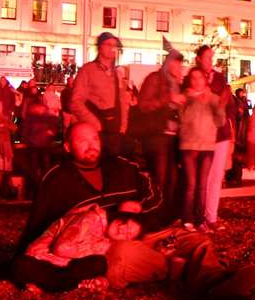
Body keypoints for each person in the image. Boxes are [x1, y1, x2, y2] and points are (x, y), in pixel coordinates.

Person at [12, 122, 255, 296]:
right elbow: (42, 226)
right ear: (67, 146)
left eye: (94, 138)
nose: (91, 145)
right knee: (124, 257)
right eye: (82, 140)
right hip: (110, 244)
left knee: (195, 240)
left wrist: (138, 212)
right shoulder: (57, 180)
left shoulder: (122, 167)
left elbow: (158, 198)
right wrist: (25, 266)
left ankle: (218, 279)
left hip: (148, 230)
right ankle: (191, 274)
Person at [133, 49, 186, 217]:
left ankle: (167, 214)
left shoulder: (177, 84)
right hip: (157, 136)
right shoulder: (155, 79)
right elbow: (143, 105)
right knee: (160, 178)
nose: (179, 67)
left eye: (180, 64)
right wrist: (168, 99)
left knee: (173, 178)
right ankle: (156, 214)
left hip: (173, 137)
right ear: (168, 63)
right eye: (176, 63)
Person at [62, 33, 132, 154]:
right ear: (100, 47)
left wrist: (123, 126)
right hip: (96, 130)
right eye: (109, 44)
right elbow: (75, 102)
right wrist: (94, 123)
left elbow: (122, 101)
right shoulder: (87, 70)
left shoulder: (117, 73)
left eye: (115, 46)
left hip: (114, 130)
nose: (113, 49)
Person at [177, 66, 225, 229]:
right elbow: (181, 119)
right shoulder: (184, 97)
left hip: (207, 145)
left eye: (200, 78)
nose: (197, 81)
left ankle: (200, 219)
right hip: (189, 145)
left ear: (205, 80)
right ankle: (187, 219)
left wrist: (217, 107)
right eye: (193, 78)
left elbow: (220, 122)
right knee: (190, 184)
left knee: (202, 185)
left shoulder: (213, 98)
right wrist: (193, 101)